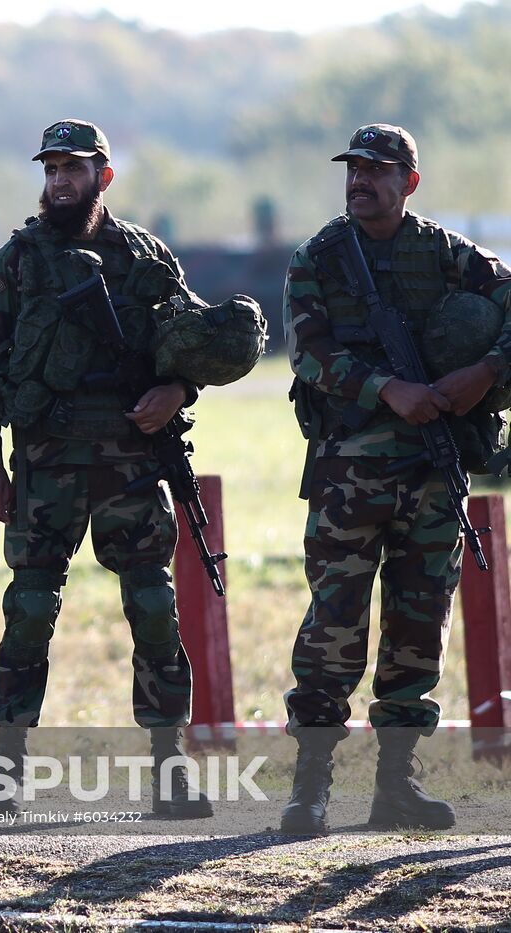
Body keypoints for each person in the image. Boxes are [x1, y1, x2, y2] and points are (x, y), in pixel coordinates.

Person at [0, 120, 211, 817]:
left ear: (104, 174)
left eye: (72, 168)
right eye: (51, 169)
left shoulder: (143, 255)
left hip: (132, 463)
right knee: (29, 611)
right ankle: (6, 770)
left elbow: (191, 339)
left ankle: (170, 770)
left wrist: (177, 390)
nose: (60, 181)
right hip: (46, 462)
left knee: (153, 608)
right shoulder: (17, 262)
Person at [280, 124, 511, 834]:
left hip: (433, 471)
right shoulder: (319, 256)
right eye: (353, 169)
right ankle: (310, 787)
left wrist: (486, 372)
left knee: (418, 628)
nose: (360, 181)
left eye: (377, 170)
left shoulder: (448, 255)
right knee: (332, 627)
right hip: (349, 474)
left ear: (408, 182)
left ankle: (395, 784)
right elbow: (307, 351)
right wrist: (387, 388)